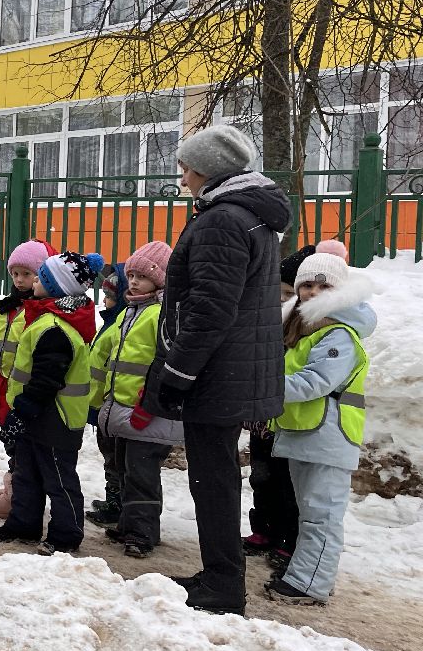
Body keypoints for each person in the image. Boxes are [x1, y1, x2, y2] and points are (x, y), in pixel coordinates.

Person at [144, 125, 291, 615]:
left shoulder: (222, 220)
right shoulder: (249, 217)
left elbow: (210, 308)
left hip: (217, 372)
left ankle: (223, 585)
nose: (183, 178)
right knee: (217, 476)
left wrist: (178, 372)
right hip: (231, 368)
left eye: (186, 168)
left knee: (213, 479)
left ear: (207, 170)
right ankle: (219, 575)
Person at [265, 251, 374, 605]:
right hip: (305, 432)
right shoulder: (305, 328)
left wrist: (263, 387)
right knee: (310, 513)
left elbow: (315, 382)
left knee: (321, 516)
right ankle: (307, 574)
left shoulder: (339, 334)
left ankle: (310, 584)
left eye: (323, 286)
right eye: (306, 285)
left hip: (329, 435)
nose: (312, 292)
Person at [0, 251, 104, 555]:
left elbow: (46, 379)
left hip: (56, 417)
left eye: (41, 278)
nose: (34, 282)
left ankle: (66, 534)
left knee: (58, 478)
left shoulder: (55, 328)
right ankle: (23, 523)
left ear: (56, 287)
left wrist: (22, 412)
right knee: (26, 473)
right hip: (38, 412)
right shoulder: (46, 319)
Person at [92, 242, 182, 558]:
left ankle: (143, 534)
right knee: (126, 471)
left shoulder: (161, 314)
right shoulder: (131, 311)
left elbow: (164, 364)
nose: (133, 282)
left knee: (143, 476)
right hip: (125, 410)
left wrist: (149, 404)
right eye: (131, 275)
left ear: (159, 280)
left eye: (142, 277)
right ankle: (129, 524)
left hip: (147, 412)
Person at [242, 243, 318, 564]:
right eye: (277, 293)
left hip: (288, 417)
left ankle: (288, 537)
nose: (281, 300)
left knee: (286, 482)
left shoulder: (309, 327)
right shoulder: (267, 322)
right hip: (263, 417)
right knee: (260, 476)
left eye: (287, 293)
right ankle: (263, 529)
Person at [0, 239, 53, 518]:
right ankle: (14, 483)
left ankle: (19, 493)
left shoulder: (39, 311)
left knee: (21, 441)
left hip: (20, 388)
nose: (19, 280)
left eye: (27, 274)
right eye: (15, 273)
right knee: (10, 439)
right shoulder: (6, 308)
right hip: (0, 385)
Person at [84, 263, 129, 528]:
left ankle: (117, 504)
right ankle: (114, 499)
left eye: (109, 296)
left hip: (112, 403)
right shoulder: (111, 321)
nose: (104, 300)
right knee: (109, 455)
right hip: (102, 403)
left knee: (115, 458)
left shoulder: (119, 325)